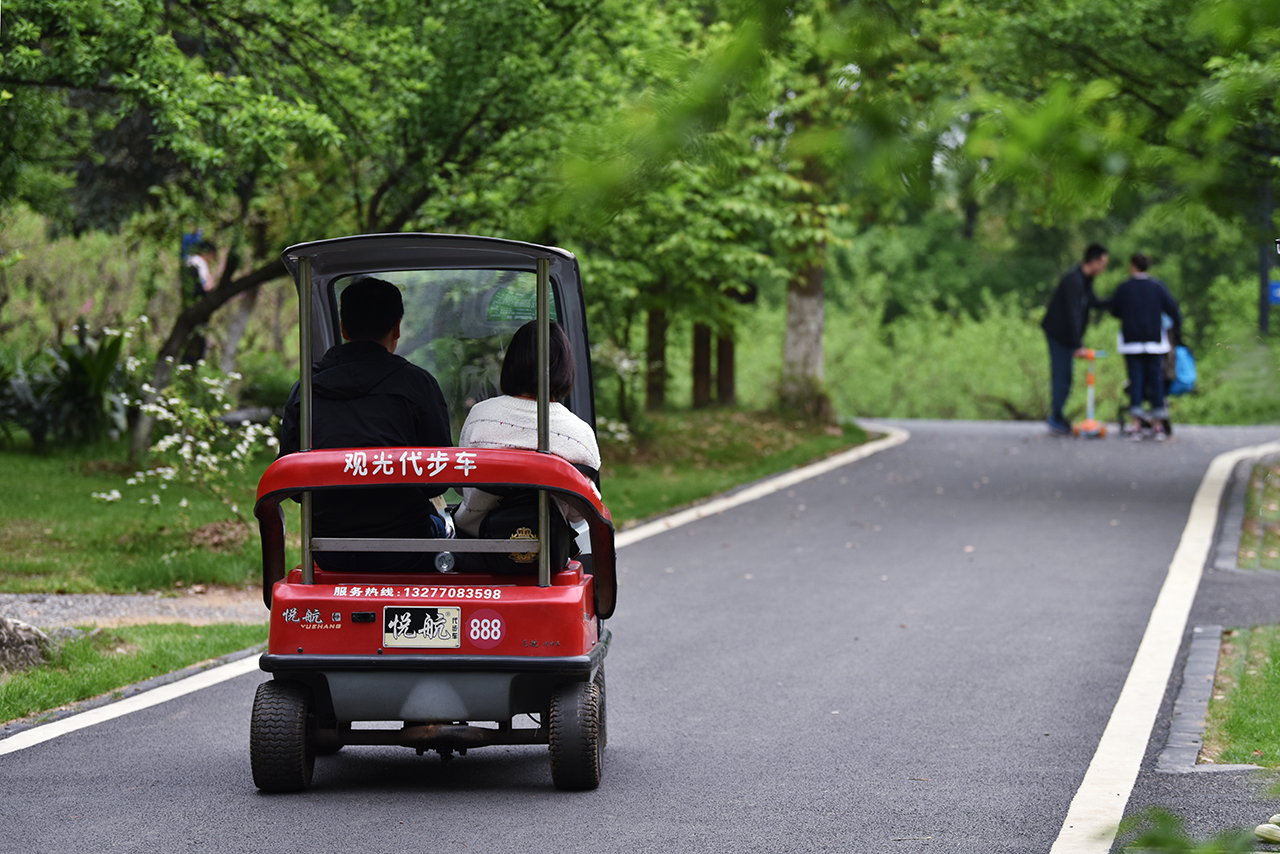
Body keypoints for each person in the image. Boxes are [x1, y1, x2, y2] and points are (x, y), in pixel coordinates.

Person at [278, 276, 454, 571]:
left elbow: (293, 487)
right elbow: (439, 479)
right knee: (446, 523)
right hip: (408, 547)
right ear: (397, 327)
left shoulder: (305, 391)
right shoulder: (417, 384)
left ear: (344, 328)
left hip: (330, 550)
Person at [453, 320, 600, 538]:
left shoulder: (480, 417)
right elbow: (581, 513)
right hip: (547, 557)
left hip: (479, 549)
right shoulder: (579, 434)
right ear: (565, 367)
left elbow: (461, 486)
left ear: (512, 362)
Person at [1106, 252, 1182, 439]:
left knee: (1136, 381)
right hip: (1154, 343)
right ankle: (1157, 426)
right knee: (1156, 381)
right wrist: (1176, 334)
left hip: (1131, 343)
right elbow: (1174, 310)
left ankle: (1137, 425)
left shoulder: (1125, 288)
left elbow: (1114, 310)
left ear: (1132, 265)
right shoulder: (1157, 287)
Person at [1041, 242, 1110, 434]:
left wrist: (1118, 301)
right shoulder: (1074, 280)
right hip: (1059, 335)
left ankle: (1058, 415)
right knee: (1062, 376)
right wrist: (1077, 344)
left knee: (1066, 377)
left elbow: (1094, 302)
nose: (1103, 269)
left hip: (1067, 337)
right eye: (1103, 264)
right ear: (1094, 262)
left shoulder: (1086, 280)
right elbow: (1073, 314)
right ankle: (1055, 417)